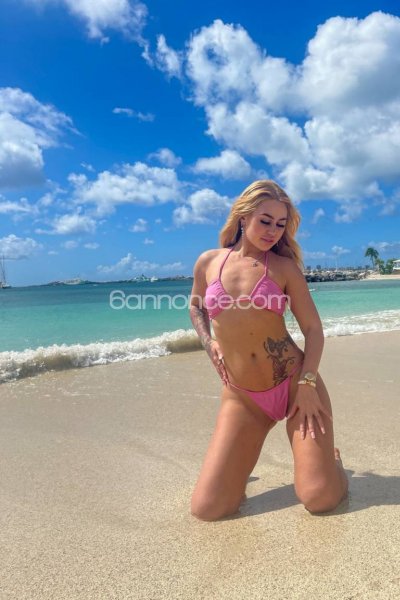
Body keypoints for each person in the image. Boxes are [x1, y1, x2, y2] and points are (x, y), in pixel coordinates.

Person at [189, 179, 348, 521]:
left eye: (280, 224)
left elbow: (314, 330)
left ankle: (333, 464)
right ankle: (236, 476)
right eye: (265, 221)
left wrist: (307, 385)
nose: (272, 231)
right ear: (243, 217)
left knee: (319, 499)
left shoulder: (284, 268)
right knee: (208, 509)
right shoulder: (208, 263)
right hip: (242, 396)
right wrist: (208, 342)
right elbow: (196, 306)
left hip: (294, 386)